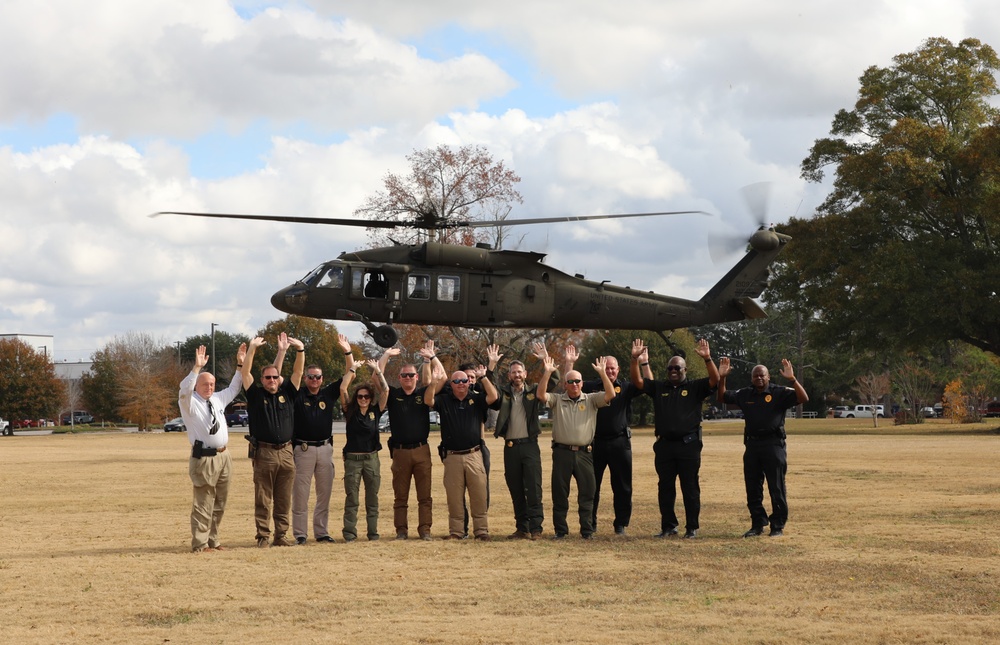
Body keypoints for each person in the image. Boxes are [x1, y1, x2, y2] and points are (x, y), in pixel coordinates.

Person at [631, 338, 718, 539]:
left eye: (677, 368)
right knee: (665, 488)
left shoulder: (696, 387)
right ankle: (668, 526)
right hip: (664, 447)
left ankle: (692, 528)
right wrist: (634, 359)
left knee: (690, 487)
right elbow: (638, 382)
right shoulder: (660, 388)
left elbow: (715, 380)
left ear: (685, 370)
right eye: (670, 368)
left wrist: (707, 359)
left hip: (689, 445)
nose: (673, 371)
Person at [718, 357, 808, 538]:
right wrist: (722, 378)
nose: (759, 378)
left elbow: (803, 398)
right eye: (755, 376)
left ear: (768, 377)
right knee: (753, 487)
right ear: (752, 379)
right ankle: (757, 523)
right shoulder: (745, 394)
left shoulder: (779, 392)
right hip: (752, 445)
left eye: (762, 375)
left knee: (776, 486)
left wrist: (792, 379)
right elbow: (722, 397)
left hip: (773, 444)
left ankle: (777, 526)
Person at [563, 345, 647, 536]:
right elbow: (569, 382)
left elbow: (645, 383)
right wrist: (569, 363)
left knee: (623, 487)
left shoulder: (625, 387)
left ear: (618, 370)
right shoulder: (592, 386)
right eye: (606, 367)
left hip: (620, 443)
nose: (609, 371)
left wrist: (641, 362)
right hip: (596, 444)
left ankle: (621, 524)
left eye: (612, 368)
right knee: (592, 487)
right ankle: (590, 525)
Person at [536, 349, 615, 540]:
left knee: (587, 493)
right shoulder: (558, 400)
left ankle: (587, 531)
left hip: (584, 454)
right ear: (565, 384)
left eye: (577, 381)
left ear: (582, 383)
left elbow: (610, 394)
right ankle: (560, 531)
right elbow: (540, 395)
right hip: (562, 453)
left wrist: (603, 373)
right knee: (560, 495)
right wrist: (547, 372)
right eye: (570, 381)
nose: (574, 384)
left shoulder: (590, 399)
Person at [178, 343, 246, 552]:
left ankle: (213, 540)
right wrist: (196, 369)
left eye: (212, 384)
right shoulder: (189, 402)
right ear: (197, 385)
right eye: (205, 384)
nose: (210, 387)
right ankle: (200, 543)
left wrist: (240, 365)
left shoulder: (217, 399)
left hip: (224, 457)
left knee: (220, 502)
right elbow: (184, 388)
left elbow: (235, 387)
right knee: (203, 503)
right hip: (204, 459)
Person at [241, 333, 305, 548]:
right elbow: (246, 372)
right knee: (263, 498)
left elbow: (298, 371)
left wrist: (300, 350)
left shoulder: (288, 394)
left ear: (279, 379)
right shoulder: (256, 396)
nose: (271, 380)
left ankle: (281, 536)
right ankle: (263, 537)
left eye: (275, 377)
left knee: (284, 498)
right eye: (267, 377)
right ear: (262, 380)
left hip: (287, 452)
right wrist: (252, 349)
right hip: (265, 453)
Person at [291, 333, 355, 545]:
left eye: (318, 377)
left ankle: (321, 532)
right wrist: (299, 350)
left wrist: (347, 352)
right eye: (311, 377)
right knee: (301, 494)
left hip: (325, 449)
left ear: (322, 379)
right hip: (304, 450)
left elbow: (350, 374)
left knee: (324, 494)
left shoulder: (328, 393)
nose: (314, 380)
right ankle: (300, 534)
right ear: (306, 378)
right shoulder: (298, 394)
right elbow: (296, 372)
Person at [426, 356, 499, 541]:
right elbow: (428, 400)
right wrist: (434, 382)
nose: (461, 383)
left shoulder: (477, 399)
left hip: (474, 454)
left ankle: (481, 531)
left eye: (464, 380)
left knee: (479, 495)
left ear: (469, 382)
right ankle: (457, 532)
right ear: (451, 383)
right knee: (454, 498)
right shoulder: (444, 400)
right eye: (457, 381)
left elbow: (494, 397)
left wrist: (483, 377)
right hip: (452, 457)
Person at [490, 343, 554, 540]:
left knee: (533, 488)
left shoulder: (533, 391)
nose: (516, 375)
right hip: (510, 447)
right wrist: (491, 365)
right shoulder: (504, 393)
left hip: (529, 446)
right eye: (513, 373)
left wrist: (545, 360)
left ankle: (536, 529)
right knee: (515, 488)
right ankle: (522, 528)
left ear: (525, 374)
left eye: (519, 372)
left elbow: (552, 382)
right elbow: (489, 389)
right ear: (509, 375)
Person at [376, 342, 438, 541]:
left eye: (411, 375)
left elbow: (435, 380)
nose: (408, 378)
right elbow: (376, 378)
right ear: (399, 378)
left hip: (421, 450)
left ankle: (425, 530)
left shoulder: (422, 394)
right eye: (404, 375)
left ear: (416, 377)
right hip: (400, 451)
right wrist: (386, 355)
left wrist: (429, 359)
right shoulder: (393, 394)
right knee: (400, 496)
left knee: (425, 496)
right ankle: (401, 531)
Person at [340, 359, 387, 541]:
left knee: (372, 499)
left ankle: (373, 532)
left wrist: (378, 371)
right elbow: (343, 389)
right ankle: (350, 533)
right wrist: (352, 369)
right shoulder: (349, 411)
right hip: (353, 460)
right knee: (352, 498)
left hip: (371, 459)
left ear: (370, 398)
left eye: (366, 396)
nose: (363, 399)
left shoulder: (376, 411)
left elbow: (386, 391)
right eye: (360, 396)